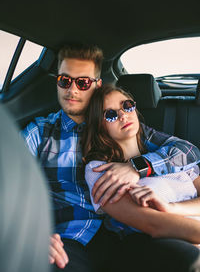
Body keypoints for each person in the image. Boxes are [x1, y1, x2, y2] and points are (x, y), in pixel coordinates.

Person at [21, 43, 200, 272]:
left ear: (97, 85)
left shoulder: (124, 128)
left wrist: (138, 166)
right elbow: (6, 180)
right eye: (65, 81)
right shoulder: (40, 132)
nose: (72, 90)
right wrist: (29, 231)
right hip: (73, 235)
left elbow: (188, 152)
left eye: (82, 82)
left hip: (126, 233)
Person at [83, 83, 200, 271]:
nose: (123, 115)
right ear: (99, 126)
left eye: (126, 105)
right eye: (110, 114)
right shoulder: (100, 170)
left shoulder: (168, 155)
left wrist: (171, 208)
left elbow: (191, 152)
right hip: (169, 251)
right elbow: (154, 225)